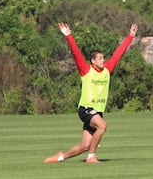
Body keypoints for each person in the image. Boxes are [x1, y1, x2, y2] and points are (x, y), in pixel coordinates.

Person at [44, 22, 138, 163]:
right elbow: (76, 54)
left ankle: (60, 157)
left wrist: (130, 36)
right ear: (92, 61)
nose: (103, 60)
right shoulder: (86, 70)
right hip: (86, 109)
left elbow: (118, 53)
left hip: (97, 111)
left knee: (85, 145)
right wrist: (68, 36)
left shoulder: (107, 70)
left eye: (103, 58)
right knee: (102, 126)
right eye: (99, 58)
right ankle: (91, 157)